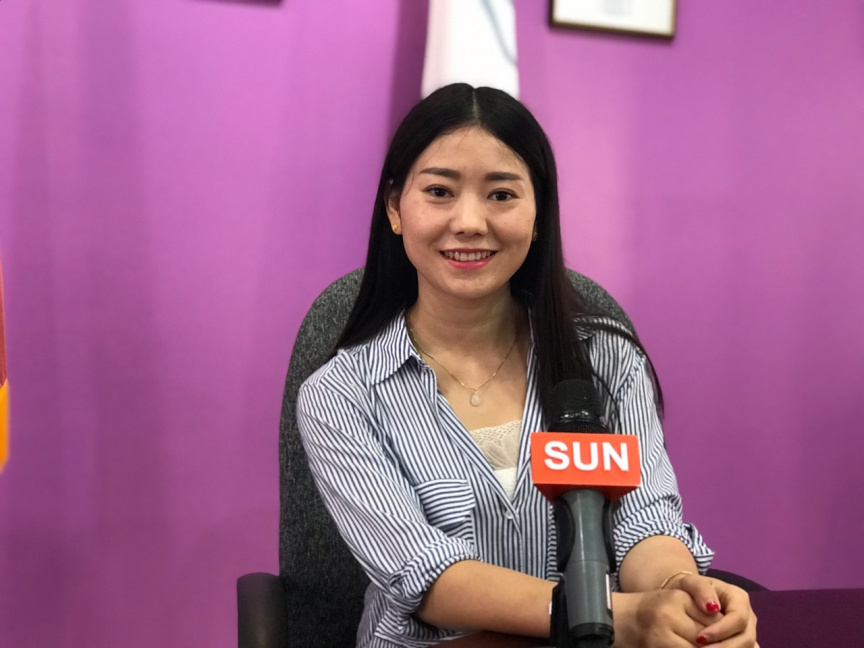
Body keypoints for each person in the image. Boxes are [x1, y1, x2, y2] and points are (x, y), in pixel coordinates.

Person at [296, 83, 757, 648]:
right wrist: (619, 617)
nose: (470, 222)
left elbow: (644, 523)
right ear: (395, 208)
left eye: (501, 195)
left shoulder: (607, 361)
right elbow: (425, 575)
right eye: (439, 191)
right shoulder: (342, 393)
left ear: (538, 213)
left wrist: (676, 591)